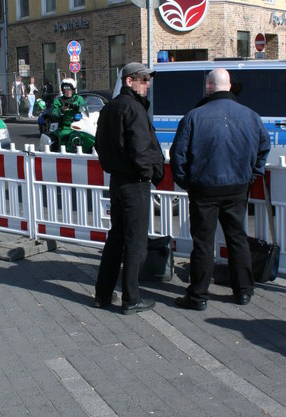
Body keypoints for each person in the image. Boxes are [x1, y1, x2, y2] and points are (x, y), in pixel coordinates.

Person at [169, 68, 270, 311]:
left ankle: (198, 296)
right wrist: (251, 176)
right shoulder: (251, 116)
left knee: (203, 242)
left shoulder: (194, 116)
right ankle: (243, 291)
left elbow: (177, 155)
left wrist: (187, 182)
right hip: (237, 187)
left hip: (204, 188)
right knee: (237, 238)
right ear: (229, 86)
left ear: (209, 87)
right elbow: (263, 148)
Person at [93, 63, 165, 315]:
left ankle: (102, 294)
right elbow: (141, 149)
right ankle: (131, 298)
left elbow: (99, 143)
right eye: (143, 79)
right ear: (128, 81)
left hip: (118, 181)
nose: (147, 84)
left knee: (116, 240)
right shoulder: (133, 108)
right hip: (134, 183)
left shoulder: (110, 107)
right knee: (135, 244)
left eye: (148, 79)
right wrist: (149, 174)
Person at [51, 78, 86, 150]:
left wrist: (76, 107)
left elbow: (85, 110)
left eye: (69, 90)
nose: (67, 92)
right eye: (65, 90)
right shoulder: (58, 100)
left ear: (73, 90)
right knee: (63, 141)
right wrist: (61, 110)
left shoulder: (79, 99)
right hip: (65, 127)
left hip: (79, 125)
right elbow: (54, 114)